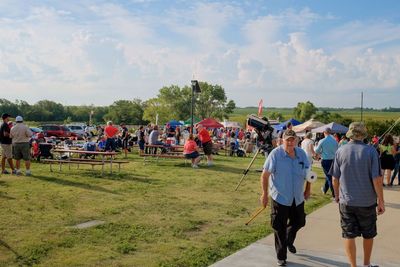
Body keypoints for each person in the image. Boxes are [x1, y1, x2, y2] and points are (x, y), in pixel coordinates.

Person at [330, 122, 384, 267]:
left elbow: (334, 178)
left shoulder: (340, 151)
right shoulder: (371, 151)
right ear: (363, 135)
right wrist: (381, 201)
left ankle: (353, 266)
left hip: (346, 201)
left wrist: (336, 195)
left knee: (349, 235)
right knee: (368, 234)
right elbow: (377, 180)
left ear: (350, 135)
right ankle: (366, 264)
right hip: (367, 202)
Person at [260, 129, 311, 266]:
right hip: (280, 197)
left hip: (297, 197)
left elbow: (308, 174)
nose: (290, 142)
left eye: (292, 139)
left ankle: (288, 240)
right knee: (279, 227)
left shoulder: (302, 154)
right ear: (282, 140)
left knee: (300, 221)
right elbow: (265, 175)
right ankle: (281, 257)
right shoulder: (275, 154)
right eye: (287, 140)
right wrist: (264, 194)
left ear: (296, 140)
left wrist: (307, 189)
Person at [315, 127, 338, 198]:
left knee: (329, 177)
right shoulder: (335, 141)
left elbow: (317, 151)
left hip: (326, 160)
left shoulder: (322, 141)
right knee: (329, 176)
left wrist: (321, 152)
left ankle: (334, 194)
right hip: (334, 160)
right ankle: (324, 189)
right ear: (330, 133)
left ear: (324, 133)